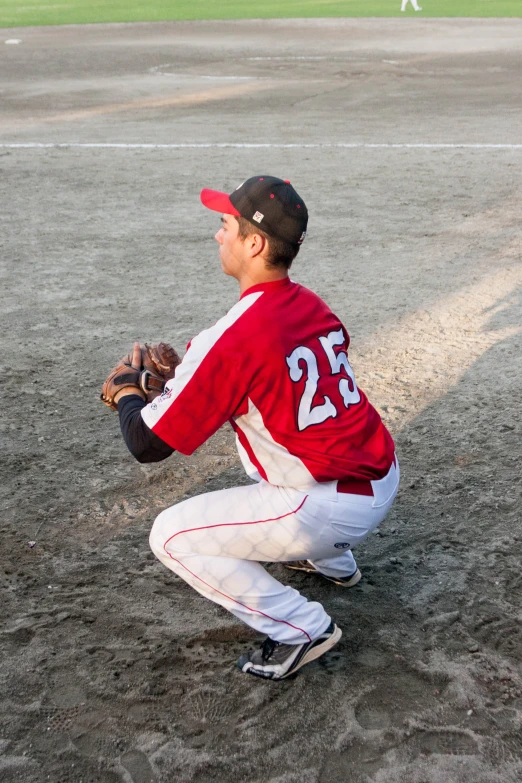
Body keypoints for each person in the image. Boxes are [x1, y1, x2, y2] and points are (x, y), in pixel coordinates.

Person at [114, 176, 400, 680]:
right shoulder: (311, 304)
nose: (218, 235)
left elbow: (146, 444)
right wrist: (178, 384)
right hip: (378, 475)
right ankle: (335, 564)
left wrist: (129, 394)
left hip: (325, 508)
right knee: (268, 448)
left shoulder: (230, 338)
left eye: (226, 224)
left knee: (171, 536)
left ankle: (302, 628)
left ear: (255, 242)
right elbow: (269, 386)